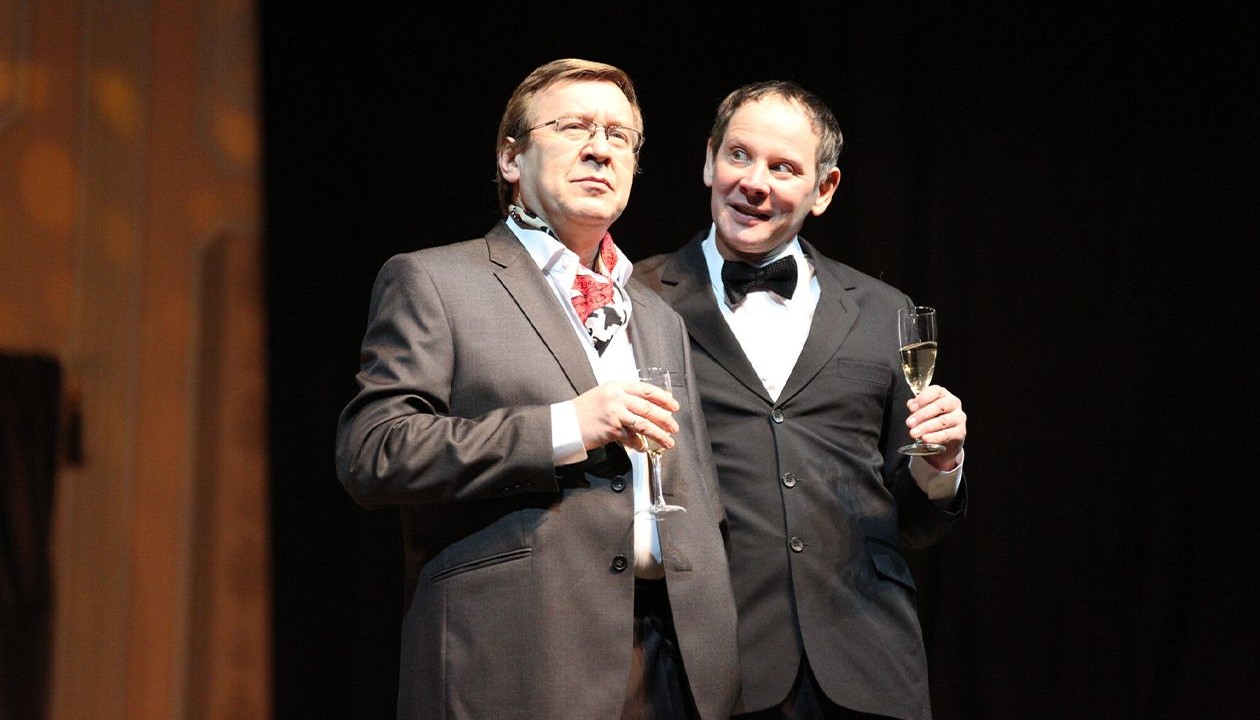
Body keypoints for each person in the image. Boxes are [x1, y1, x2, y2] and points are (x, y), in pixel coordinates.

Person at [334, 58, 741, 720]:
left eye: (620, 136)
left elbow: (699, 498)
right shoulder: (436, 281)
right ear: (510, 158)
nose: (600, 149)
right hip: (520, 658)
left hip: (671, 668)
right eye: (574, 126)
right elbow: (374, 451)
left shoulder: (657, 315)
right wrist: (566, 427)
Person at [637, 81, 968, 720]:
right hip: (712, 663)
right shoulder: (639, 297)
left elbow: (914, 522)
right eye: (739, 155)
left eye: (784, 167)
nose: (754, 183)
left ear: (825, 189)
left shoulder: (884, 312)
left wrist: (941, 466)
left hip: (870, 663)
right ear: (708, 160)